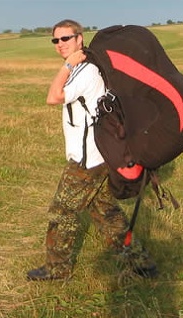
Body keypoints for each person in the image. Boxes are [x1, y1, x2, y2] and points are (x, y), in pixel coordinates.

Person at [26, 19, 157, 281]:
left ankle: (57, 269)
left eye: (66, 39)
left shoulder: (85, 72)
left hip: (88, 161)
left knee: (62, 211)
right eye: (56, 40)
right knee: (106, 214)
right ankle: (142, 264)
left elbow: (53, 97)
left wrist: (67, 65)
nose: (60, 44)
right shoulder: (82, 70)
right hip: (97, 157)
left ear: (80, 39)